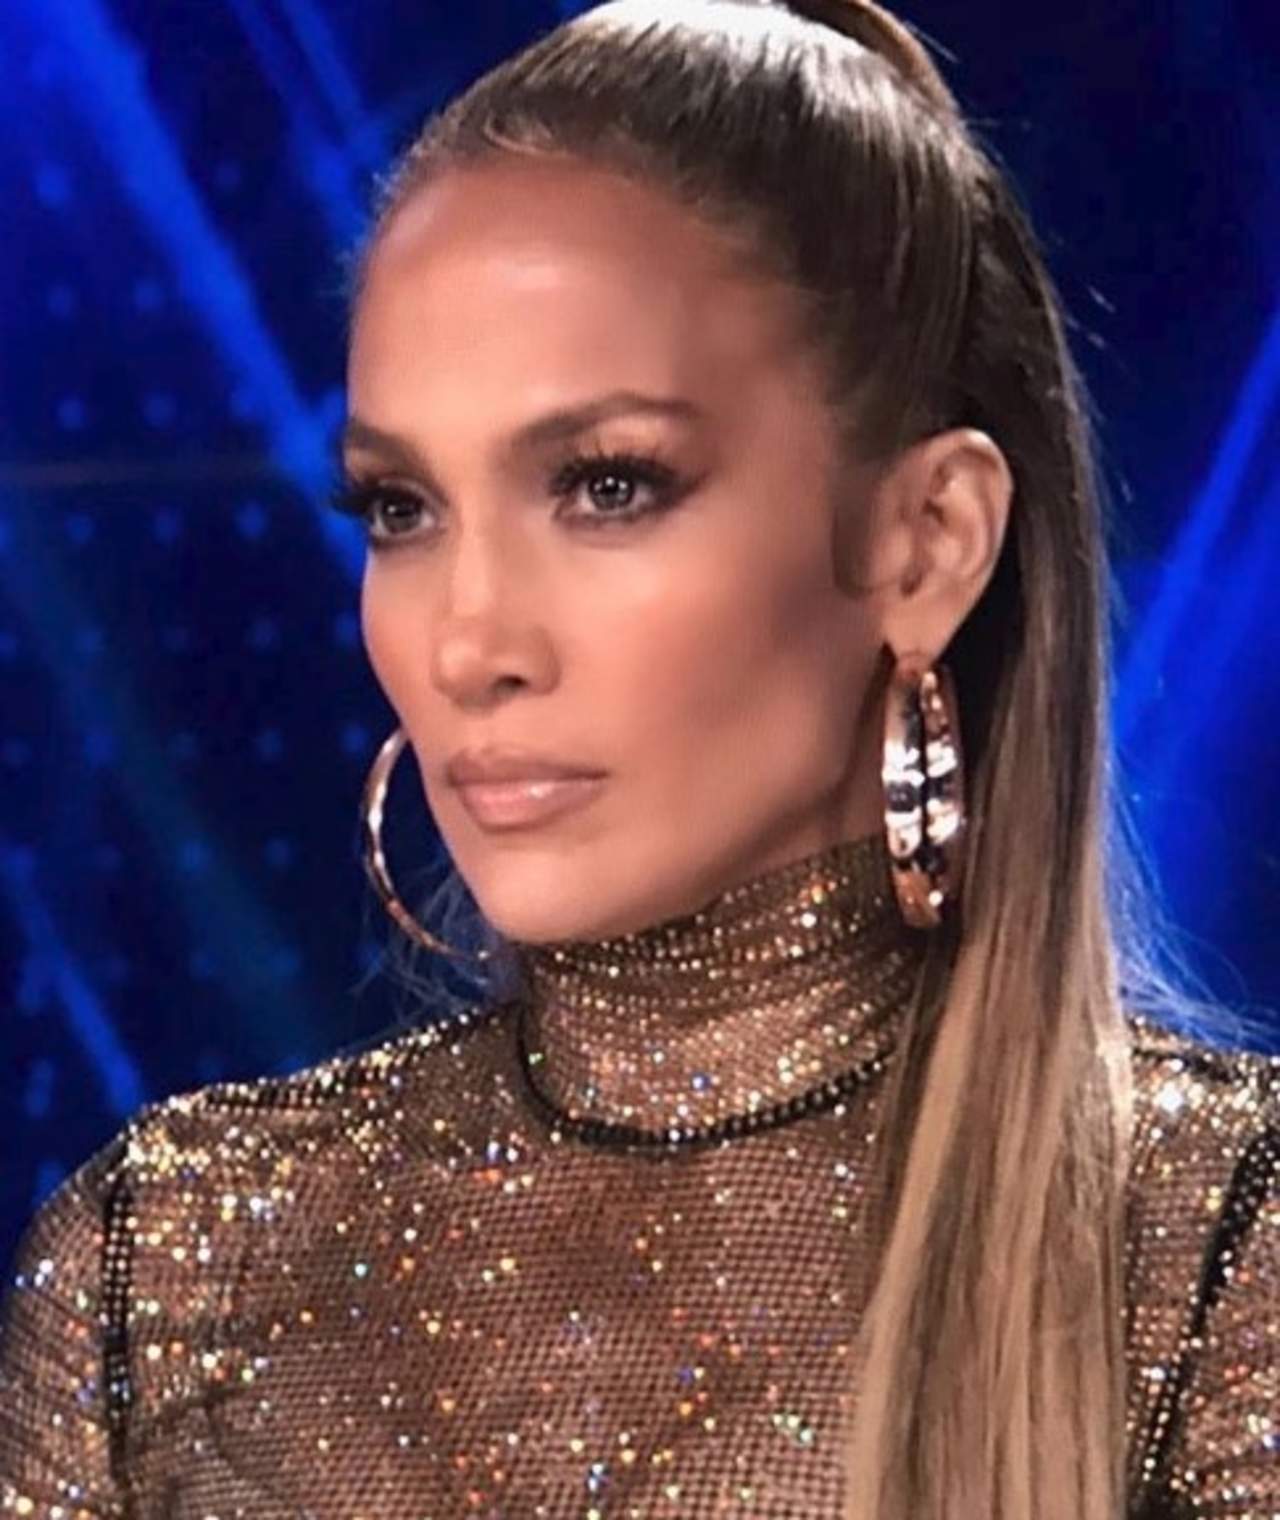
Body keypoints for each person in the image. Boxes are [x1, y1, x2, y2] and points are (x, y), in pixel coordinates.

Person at [2, 0, 1276, 1516]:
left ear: (927, 544)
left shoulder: (1216, 1257)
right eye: (403, 509)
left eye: (608, 486)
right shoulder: (169, 1275)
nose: (468, 642)